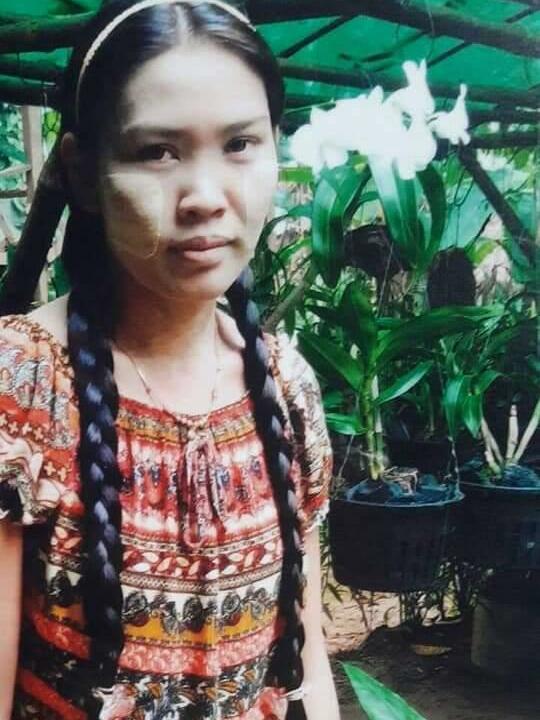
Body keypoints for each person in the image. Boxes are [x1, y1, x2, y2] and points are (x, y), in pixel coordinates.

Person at [0, 1, 340, 719]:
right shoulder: (22, 389)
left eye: (240, 143)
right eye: (157, 152)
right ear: (83, 172)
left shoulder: (286, 387)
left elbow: (307, 661)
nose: (205, 198)